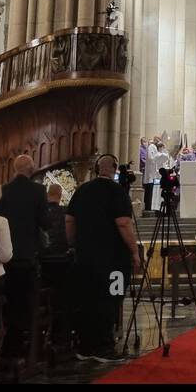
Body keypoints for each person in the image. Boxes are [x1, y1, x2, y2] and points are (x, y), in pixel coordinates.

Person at [66, 153, 141, 362]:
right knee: (111, 299)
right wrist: (134, 252)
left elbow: (69, 221)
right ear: (115, 169)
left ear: (97, 169)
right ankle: (104, 346)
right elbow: (124, 223)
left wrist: (72, 244)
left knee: (87, 298)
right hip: (113, 260)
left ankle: (85, 345)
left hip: (85, 258)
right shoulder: (117, 191)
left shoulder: (82, 190)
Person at [0, 154, 52, 352]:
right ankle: (20, 344)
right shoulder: (37, 190)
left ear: (13, 169)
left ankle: (5, 342)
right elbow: (45, 222)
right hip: (27, 255)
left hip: (5, 256)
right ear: (31, 169)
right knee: (24, 301)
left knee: (7, 300)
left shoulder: (3, 190)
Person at [44, 182, 69, 256]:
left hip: (43, 254)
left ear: (47, 194)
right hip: (62, 254)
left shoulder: (41, 211)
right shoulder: (66, 211)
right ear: (60, 196)